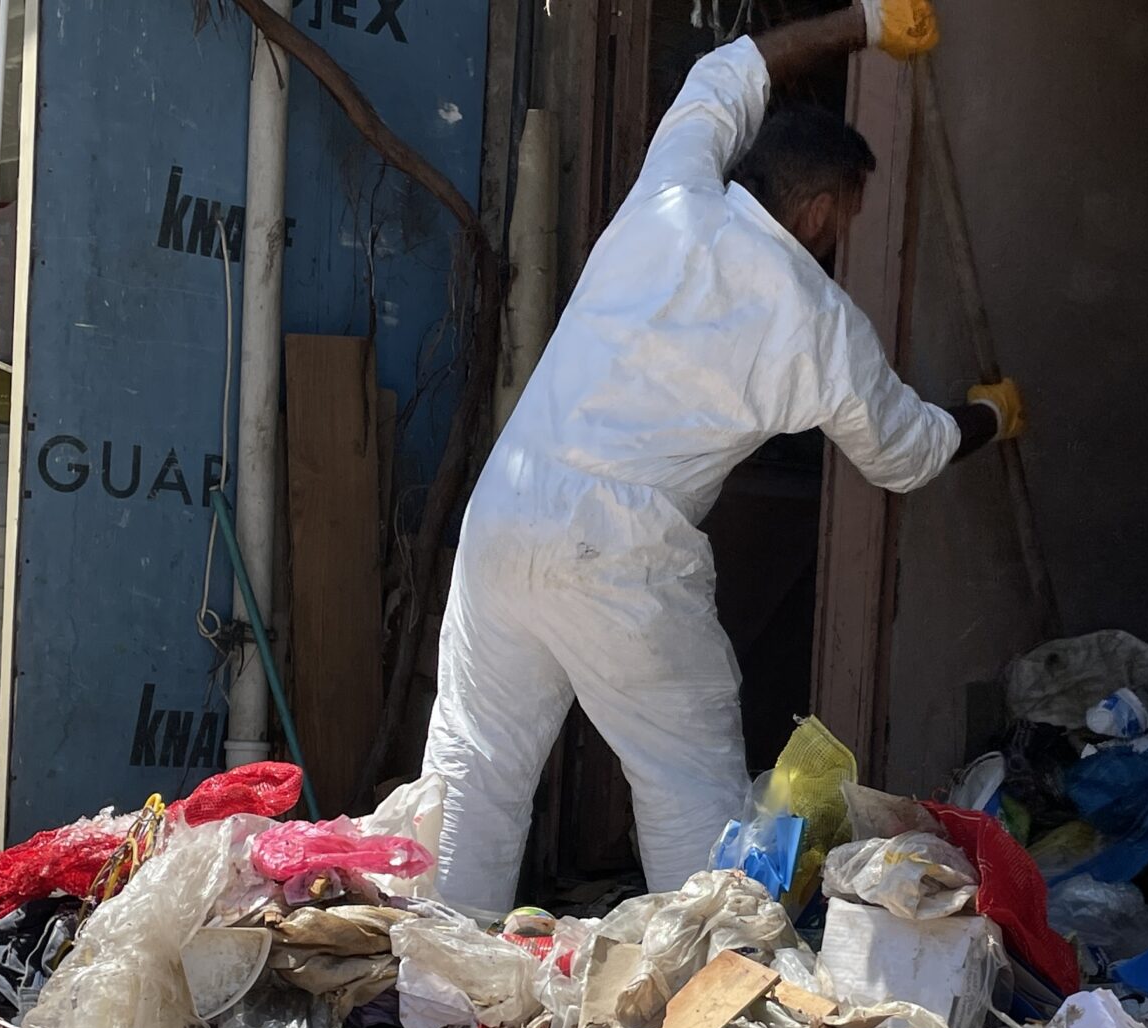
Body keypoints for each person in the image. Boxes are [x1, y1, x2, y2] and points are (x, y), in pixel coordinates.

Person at [420, 0, 1023, 914]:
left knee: (475, 769)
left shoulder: (677, 188)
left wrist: (864, 22)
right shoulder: (818, 323)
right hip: (618, 550)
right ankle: (708, 1015)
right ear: (820, 210)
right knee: (688, 792)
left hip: (508, 505)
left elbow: (727, 71)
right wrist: (987, 415)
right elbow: (908, 453)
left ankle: (432, 1012)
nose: (840, 237)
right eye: (847, 219)